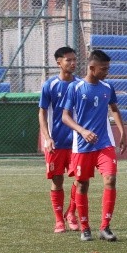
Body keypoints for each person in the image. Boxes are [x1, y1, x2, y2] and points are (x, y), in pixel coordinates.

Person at [61, 49, 127, 242]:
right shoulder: (74, 88)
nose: (107, 72)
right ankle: (85, 227)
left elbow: (114, 109)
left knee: (110, 179)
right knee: (82, 184)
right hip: (82, 145)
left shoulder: (107, 87)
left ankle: (105, 227)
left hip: (104, 143)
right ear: (92, 68)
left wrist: (123, 132)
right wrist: (82, 131)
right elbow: (65, 116)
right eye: (104, 69)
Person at [38, 46, 79, 234]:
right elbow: (42, 112)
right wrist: (47, 137)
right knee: (57, 180)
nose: (72, 63)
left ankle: (71, 213)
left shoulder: (79, 85)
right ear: (59, 62)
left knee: (81, 179)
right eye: (68, 60)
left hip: (76, 142)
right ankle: (58, 220)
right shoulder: (50, 85)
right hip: (56, 142)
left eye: (74, 60)